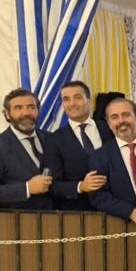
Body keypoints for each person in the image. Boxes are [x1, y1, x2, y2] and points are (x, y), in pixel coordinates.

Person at [0, 88, 55, 210]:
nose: (26, 113)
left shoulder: (51, 139)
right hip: (16, 223)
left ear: (38, 111)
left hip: (59, 220)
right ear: (7, 114)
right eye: (18, 108)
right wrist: (27, 188)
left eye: (31, 107)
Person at [87, 98, 136, 225]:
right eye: (114, 117)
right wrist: (130, 211)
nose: (121, 121)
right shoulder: (100, 156)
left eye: (126, 115)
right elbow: (98, 196)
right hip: (125, 227)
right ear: (109, 123)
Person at [47, 80, 108, 210]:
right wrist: (80, 186)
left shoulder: (109, 129)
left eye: (78, 98)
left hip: (114, 209)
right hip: (77, 213)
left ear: (89, 101)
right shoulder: (55, 139)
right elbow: (53, 185)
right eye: (66, 99)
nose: (72, 103)